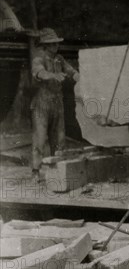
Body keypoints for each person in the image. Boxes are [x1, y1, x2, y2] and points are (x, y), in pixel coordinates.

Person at [30, 28, 79, 182]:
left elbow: (71, 71)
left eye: (56, 43)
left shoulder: (60, 59)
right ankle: (35, 172)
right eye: (52, 44)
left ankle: (57, 171)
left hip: (57, 102)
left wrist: (79, 77)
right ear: (45, 45)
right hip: (42, 103)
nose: (55, 46)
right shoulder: (38, 59)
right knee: (40, 138)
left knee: (59, 139)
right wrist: (53, 75)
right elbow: (39, 73)